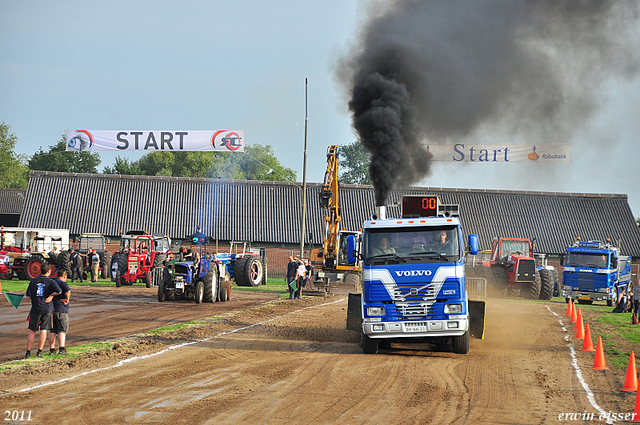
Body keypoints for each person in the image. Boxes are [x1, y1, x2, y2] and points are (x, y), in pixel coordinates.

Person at [25, 262, 61, 358]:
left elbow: (28, 296)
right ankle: (39, 351)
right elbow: (59, 291)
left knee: (32, 330)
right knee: (44, 330)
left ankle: (28, 351)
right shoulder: (51, 282)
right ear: (49, 271)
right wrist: (51, 296)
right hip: (47, 309)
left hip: (35, 308)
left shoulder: (33, 281)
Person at [48, 268, 71, 355]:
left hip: (51, 309)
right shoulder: (62, 283)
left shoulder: (51, 282)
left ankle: (52, 349)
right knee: (62, 330)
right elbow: (68, 291)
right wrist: (67, 299)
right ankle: (61, 349)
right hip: (61, 309)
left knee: (52, 331)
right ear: (65, 276)